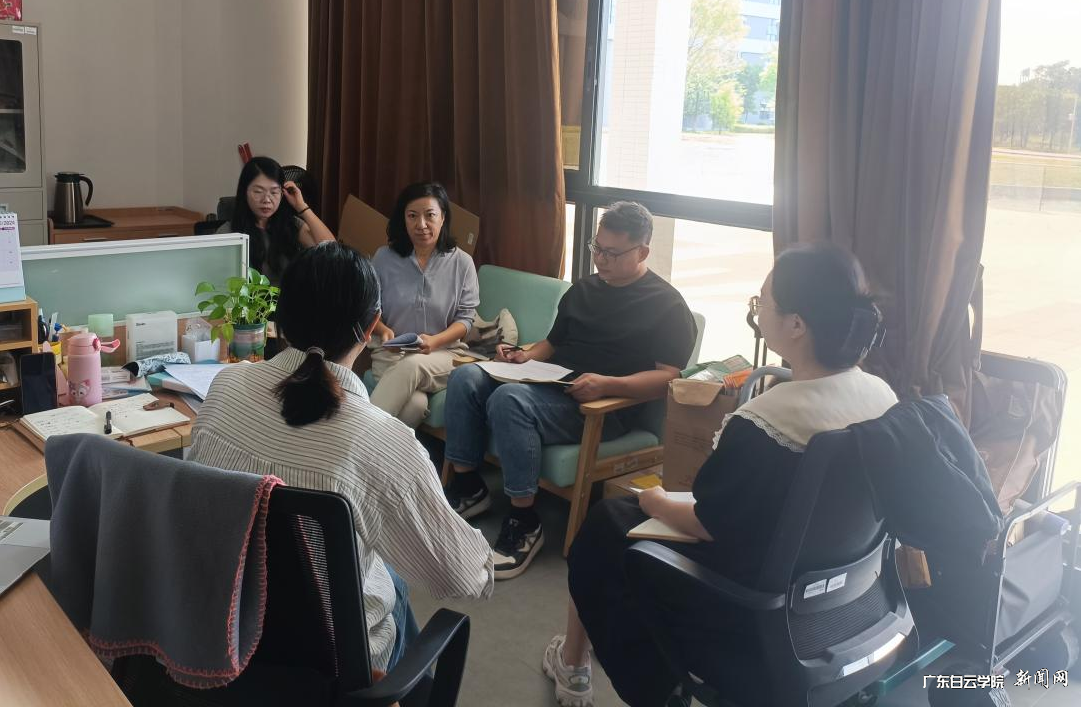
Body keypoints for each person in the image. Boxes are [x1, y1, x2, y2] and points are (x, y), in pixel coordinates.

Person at [545, 243, 899, 707]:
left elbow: (708, 523)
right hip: (845, 594)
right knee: (616, 523)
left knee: (604, 528)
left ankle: (610, 674)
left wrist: (654, 500)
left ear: (796, 325)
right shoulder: (883, 398)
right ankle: (576, 660)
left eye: (763, 301)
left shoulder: (768, 421)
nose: (758, 309)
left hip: (750, 605)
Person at [187, 242, 492, 676]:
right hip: (328, 663)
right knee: (388, 580)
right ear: (370, 328)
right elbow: (464, 577)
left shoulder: (225, 386)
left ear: (280, 321)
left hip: (224, 630)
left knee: (384, 575)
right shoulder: (383, 440)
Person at [443, 201, 697, 580]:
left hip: (604, 406)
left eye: (612, 253)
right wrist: (523, 356)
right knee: (466, 377)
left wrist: (607, 384)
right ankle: (468, 487)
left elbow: (667, 379)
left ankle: (525, 522)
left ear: (642, 252)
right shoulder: (585, 289)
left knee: (508, 400)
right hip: (552, 383)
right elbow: (552, 343)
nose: (600, 260)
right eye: (597, 248)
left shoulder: (668, 306)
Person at [369, 182, 479, 427]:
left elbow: (465, 319)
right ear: (403, 219)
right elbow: (369, 309)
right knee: (415, 406)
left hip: (444, 353)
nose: (421, 224)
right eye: (412, 216)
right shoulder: (384, 258)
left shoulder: (463, 263)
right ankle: (384, 453)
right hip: (392, 353)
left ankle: (357, 436)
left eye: (430, 215)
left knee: (413, 365)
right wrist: (383, 330)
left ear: (443, 217)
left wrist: (435, 341)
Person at [216, 156, 334, 285]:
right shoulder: (228, 232)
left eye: (274, 192)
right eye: (258, 192)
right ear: (244, 192)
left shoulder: (291, 224)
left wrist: (301, 207)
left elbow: (332, 250)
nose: (267, 200)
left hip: (289, 296)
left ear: (282, 194)